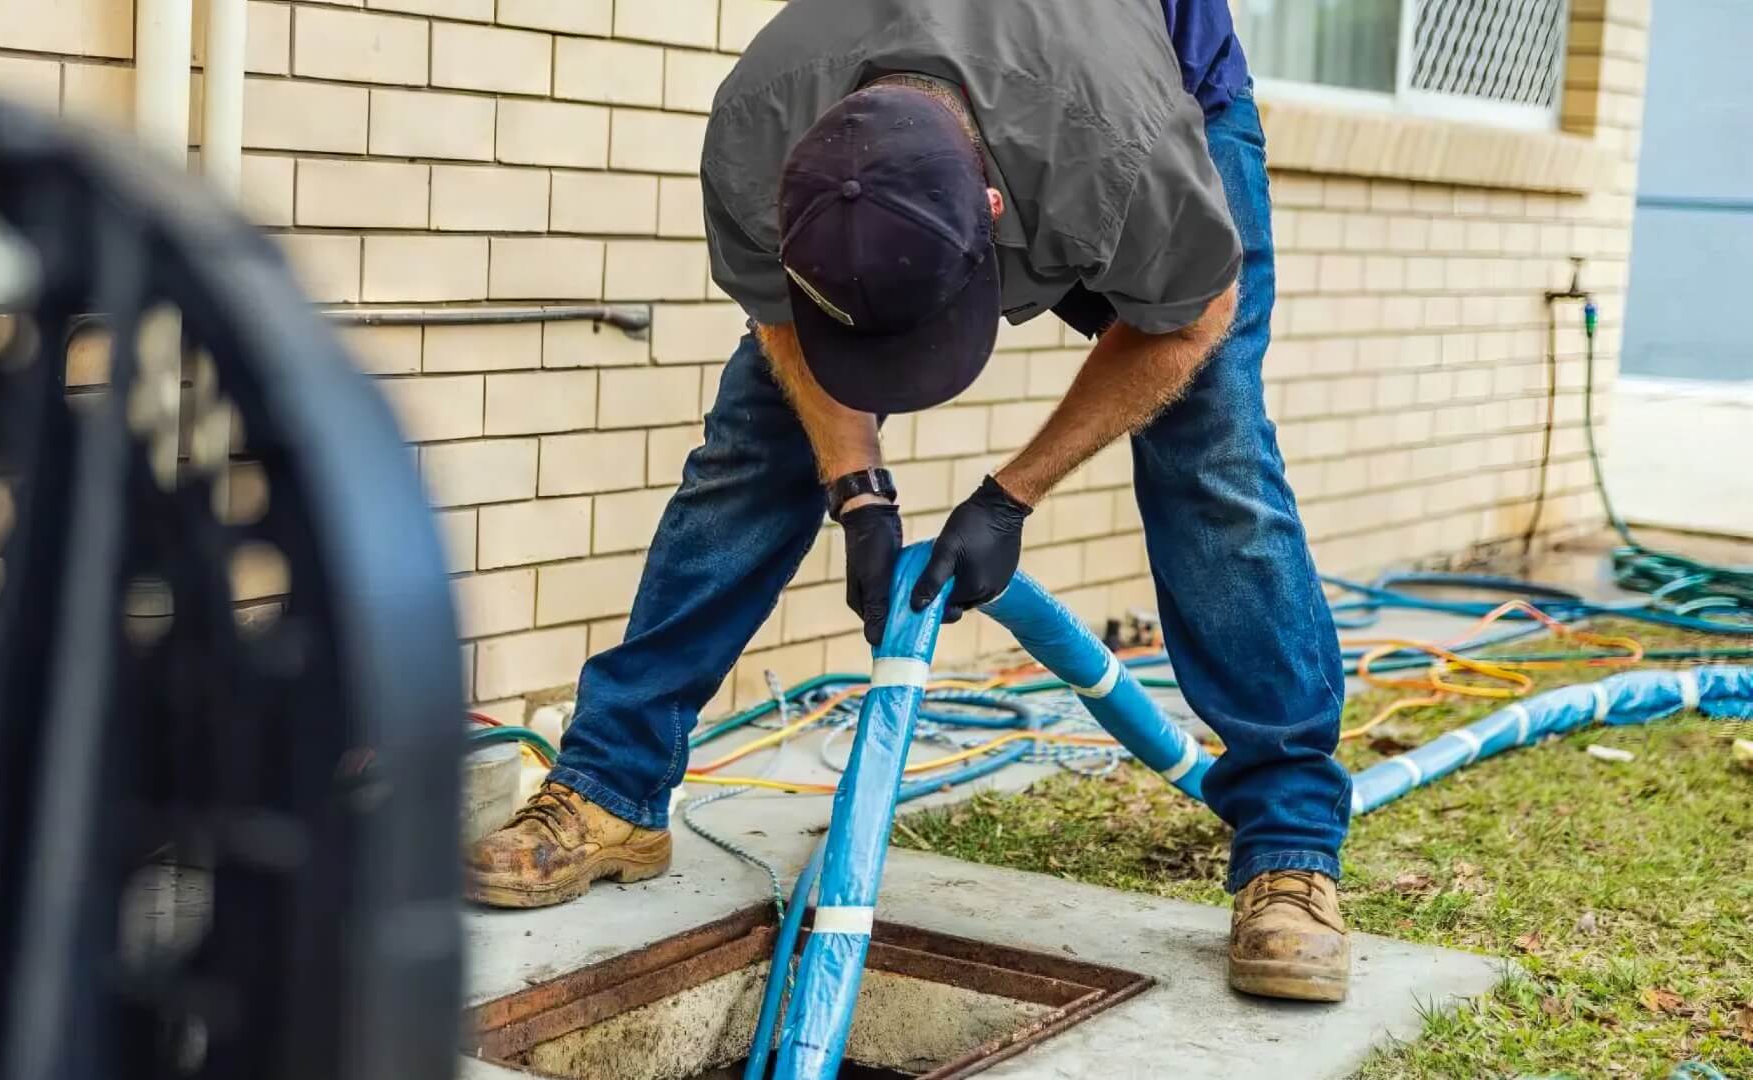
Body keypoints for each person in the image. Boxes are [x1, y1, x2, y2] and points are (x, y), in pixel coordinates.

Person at [467, 0, 1354, 1003]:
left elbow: (1188, 326)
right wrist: (857, 493)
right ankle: (608, 787)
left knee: (1212, 454)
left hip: (1157, 94)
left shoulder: (1126, 153)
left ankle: (1290, 848)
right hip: (973, 112)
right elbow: (784, 327)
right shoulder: (761, 124)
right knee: (757, 438)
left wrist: (1009, 499)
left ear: (990, 210)